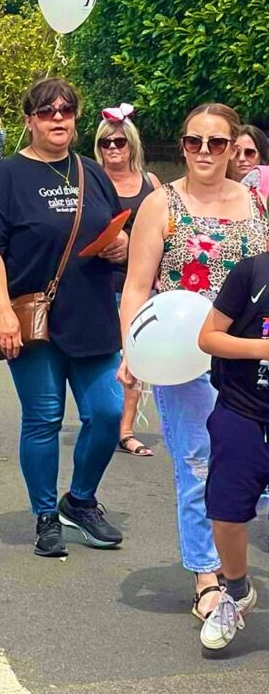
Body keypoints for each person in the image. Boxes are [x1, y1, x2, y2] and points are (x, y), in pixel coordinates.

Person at [120, 102, 267, 621]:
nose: (204, 152)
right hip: (180, 358)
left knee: (249, 467)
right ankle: (209, 577)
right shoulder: (162, 205)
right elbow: (136, 287)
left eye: (218, 143)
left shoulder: (257, 205)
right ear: (182, 145)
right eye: (193, 142)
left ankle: (232, 557)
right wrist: (130, 354)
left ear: (234, 148)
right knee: (198, 464)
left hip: (248, 359)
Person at [0, 78, 127, 558]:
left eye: (66, 110)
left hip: (93, 316)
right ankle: (45, 514)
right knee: (43, 419)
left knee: (106, 413)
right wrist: (0, 311)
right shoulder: (7, 175)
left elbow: (113, 230)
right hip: (33, 320)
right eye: (46, 112)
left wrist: (120, 247)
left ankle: (79, 500)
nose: (57, 118)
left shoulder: (91, 172)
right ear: (29, 120)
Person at [195, 255, 269, 649]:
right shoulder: (252, 272)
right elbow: (208, 338)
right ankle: (236, 590)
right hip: (243, 409)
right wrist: (263, 348)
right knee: (226, 512)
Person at [94, 105, 161, 458]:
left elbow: (167, 230)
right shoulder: (90, 180)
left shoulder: (151, 184)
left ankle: (127, 429)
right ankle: (103, 418)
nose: (113, 148)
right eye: (106, 143)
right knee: (105, 354)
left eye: (119, 141)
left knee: (135, 351)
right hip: (98, 282)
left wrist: (130, 243)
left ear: (132, 143)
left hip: (140, 282)